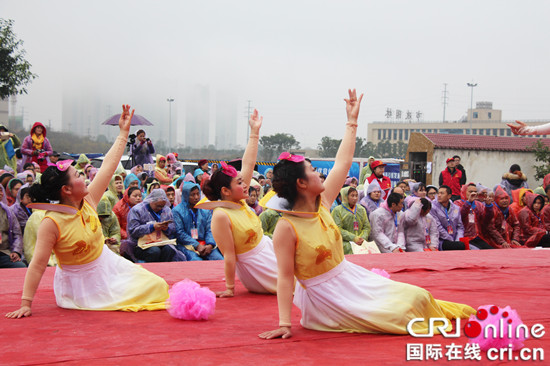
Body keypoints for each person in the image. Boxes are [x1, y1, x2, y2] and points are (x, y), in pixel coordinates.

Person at [259, 89, 474, 340]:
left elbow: (342, 162)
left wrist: (352, 121)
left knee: (419, 296)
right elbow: (285, 278)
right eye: (311, 170)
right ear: (302, 184)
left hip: (351, 278)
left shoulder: (323, 203)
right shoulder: (287, 226)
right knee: (402, 315)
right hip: (327, 298)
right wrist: (285, 323)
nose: (319, 173)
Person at [6, 105, 169, 319]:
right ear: (66, 189)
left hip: (108, 265)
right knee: (149, 294)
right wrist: (26, 303)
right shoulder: (51, 222)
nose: (84, 176)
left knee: (158, 286)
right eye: (78, 175)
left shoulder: (88, 199)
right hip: (82, 285)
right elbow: (37, 265)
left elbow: (109, 165)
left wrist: (122, 133)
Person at [200, 109, 278, 298]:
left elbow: (248, 164)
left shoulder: (239, 202)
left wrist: (254, 133)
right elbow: (229, 254)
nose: (245, 186)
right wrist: (229, 288)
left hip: (268, 249)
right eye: (239, 183)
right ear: (225, 191)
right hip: (258, 267)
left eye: (244, 181)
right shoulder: (221, 214)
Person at [127, 188, 184, 263]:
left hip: (161, 241)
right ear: (151, 201)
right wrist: (151, 227)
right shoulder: (137, 210)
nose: (160, 208)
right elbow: (133, 230)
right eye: (158, 206)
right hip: (141, 244)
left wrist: (166, 228)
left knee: (170, 250)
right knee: (154, 251)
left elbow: (173, 228)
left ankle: (164, 271)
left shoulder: (166, 210)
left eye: (162, 206)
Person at [173, 182, 223, 261]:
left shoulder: (205, 210)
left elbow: (210, 230)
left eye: (198, 194)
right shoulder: (177, 211)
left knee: (218, 259)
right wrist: (196, 245)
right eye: (192, 195)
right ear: (186, 196)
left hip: (205, 244)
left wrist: (210, 245)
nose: (196, 197)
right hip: (187, 245)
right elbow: (180, 233)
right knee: (196, 261)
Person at [453, 183, 495, 250]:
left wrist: (489, 206)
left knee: (491, 251)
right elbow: (460, 216)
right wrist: (468, 202)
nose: (473, 193)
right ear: (464, 192)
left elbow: (486, 220)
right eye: (470, 192)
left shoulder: (478, 204)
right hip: (465, 237)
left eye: (475, 192)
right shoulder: (457, 203)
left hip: (478, 237)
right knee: (477, 251)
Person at [331, 186, 371, 254]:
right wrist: (353, 238)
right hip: (345, 244)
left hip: (361, 243)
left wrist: (362, 238)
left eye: (356, 195)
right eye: (352, 196)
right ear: (345, 196)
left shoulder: (361, 209)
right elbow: (337, 229)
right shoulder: (337, 210)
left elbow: (366, 227)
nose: (355, 198)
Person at [430, 185, 468, 250]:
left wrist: (458, 239)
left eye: (442, 193)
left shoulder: (456, 208)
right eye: (438, 193)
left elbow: (460, 226)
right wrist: (450, 239)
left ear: (449, 196)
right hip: (441, 239)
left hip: (455, 239)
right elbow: (438, 227)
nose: (439, 195)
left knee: (462, 245)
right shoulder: (432, 207)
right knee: (459, 246)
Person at [0, 196, 25, 268]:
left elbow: (17, 234)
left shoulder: (7, 211)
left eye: (1, 190)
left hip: (4, 252)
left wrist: (16, 251)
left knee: (21, 266)